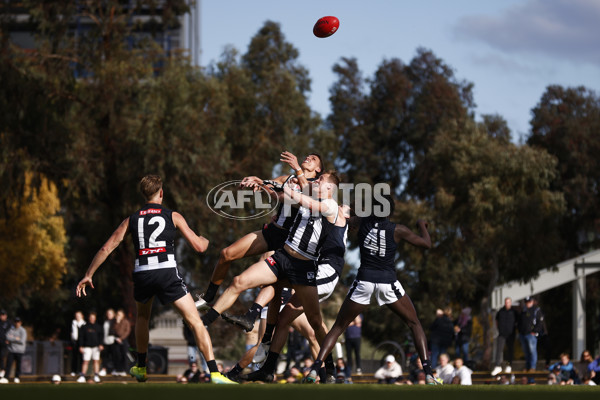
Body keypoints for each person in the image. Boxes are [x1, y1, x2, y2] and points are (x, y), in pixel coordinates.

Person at [76, 175, 236, 384]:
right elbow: (198, 247)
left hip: (143, 272)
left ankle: (141, 368)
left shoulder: (131, 219)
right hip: (167, 272)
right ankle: (214, 372)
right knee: (195, 321)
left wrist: (88, 274)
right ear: (161, 193)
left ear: (144, 195)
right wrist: (205, 240)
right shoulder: (173, 216)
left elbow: (107, 247)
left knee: (143, 317)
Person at [201, 172, 341, 368]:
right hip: (282, 258)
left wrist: (291, 181)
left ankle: (330, 366)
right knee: (239, 281)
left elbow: (308, 202)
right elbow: (282, 197)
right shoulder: (305, 198)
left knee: (315, 323)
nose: (316, 181)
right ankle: (205, 322)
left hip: (303, 268)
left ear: (329, 189)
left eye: (320, 180)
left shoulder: (331, 206)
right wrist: (262, 183)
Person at [304, 192, 440, 384]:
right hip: (387, 282)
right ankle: (428, 374)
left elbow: (346, 216)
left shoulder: (363, 222)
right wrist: (422, 226)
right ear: (390, 212)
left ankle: (315, 369)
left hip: (364, 282)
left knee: (337, 327)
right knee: (414, 324)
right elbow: (426, 244)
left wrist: (349, 207)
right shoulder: (397, 229)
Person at [196, 152, 324, 330]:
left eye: (314, 159)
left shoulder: (315, 186)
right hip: (272, 232)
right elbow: (268, 184)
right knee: (227, 253)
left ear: (318, 170)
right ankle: (208, 296)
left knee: (274, 285)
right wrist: (257, 181)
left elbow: (287, 198)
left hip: (289, 243)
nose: (308, 158)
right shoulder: (288, 178)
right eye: (307, 156)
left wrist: (272, 185)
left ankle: (263, 333)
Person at [241, 203, 350, 383]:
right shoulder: (325, 217)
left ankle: (329, 368)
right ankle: (268, 369)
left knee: (314, 323)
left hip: (327, 272)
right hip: (315, 271)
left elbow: (304, 200)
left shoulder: (335, 215)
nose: (339, 206)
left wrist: (297, 176)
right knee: (290, 319)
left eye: (343, 207)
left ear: (347, 217)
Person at [491, 297, 519, 375]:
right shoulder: (500, 311)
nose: (507, 303)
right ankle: (497, 366)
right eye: (506, 302)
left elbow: (517, 322)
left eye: (508, 302)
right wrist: (499, 329)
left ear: (510, 303)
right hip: (502, 334)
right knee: (499, 350)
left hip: (511, 334)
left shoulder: (514, 312)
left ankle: (508, 366)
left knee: (510, 351)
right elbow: (497, 321)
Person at [518, 296, 544, 371]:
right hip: (523, 334)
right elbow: (520, 322)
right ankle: (527, 366)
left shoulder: (536, 310)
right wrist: (520, 331)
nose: (527, 303)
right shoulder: (523, 310)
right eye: (526, 302)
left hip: (531, 335)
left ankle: (532, 366)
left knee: (532, 351)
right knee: (526, 352)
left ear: (532, 302)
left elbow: (540, 322)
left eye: (529, 302)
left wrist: (535, 331)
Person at [77, 311, 103, 383]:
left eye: (93, 318)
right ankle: (82, 376)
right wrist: (81, 346)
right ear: (89, 318)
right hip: (87, 347)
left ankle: (96, 376)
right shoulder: (84, 327)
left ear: (95, 318)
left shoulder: (98, 327)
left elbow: (101, 336)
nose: (92, 319)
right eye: (91, 317)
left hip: (96, 347)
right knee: (86, 361)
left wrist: (101, 344)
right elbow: (81, 337)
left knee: (96, 361)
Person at [5, 317, 26, 384]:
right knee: (8, 364)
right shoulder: (11, 329)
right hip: (11, 350)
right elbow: (7, 337)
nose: (17, 323)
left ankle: (17, 377)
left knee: (18, 365)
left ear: (20, 322)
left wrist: (11, 339)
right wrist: (16, 338)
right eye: (16, 322)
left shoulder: (23, 331)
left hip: (19, 351)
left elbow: (22, 341)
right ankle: (6, 377)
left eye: (18, 322)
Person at [112, 309, 131, 376]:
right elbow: (114, 331)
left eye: (120, 314)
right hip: (116, 340)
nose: (118, 315)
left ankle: (124, 370)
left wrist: (121, 338)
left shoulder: (126, 322)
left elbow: (127, 331)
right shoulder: (115, 322)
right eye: (118, 314)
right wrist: (117, 322)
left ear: (123, 315)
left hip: (123, 340)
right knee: (117, 355)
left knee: (124, 355)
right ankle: (118, 369)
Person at [70, 310, 86, 376]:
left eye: (79, 315)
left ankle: (80, 371)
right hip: (75, 342)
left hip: (81, 342)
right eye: (76, 316)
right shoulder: (73, 323)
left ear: (82, 316)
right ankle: (73, 371)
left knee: (81, 357)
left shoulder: (84, 324)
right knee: (74, 357)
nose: (77, 317)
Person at [101, 308, 116, 376]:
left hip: (113, 341)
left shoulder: (115, 322)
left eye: (110, 314)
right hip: (105, 341)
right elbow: (102, 332)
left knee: (114, 356)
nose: (109, 315)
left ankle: (114, 369)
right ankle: (104, 369)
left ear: (113, 314)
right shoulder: (105, 321)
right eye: (108, 314)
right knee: (105, 357)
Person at [0, 310, 10, 381]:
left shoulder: (9, 323)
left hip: (4, 344)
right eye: (1, 315)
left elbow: (11, 332)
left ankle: (3, 370)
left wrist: (8, 339)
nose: (2, 316)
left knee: (2, 356)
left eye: (3, 315)